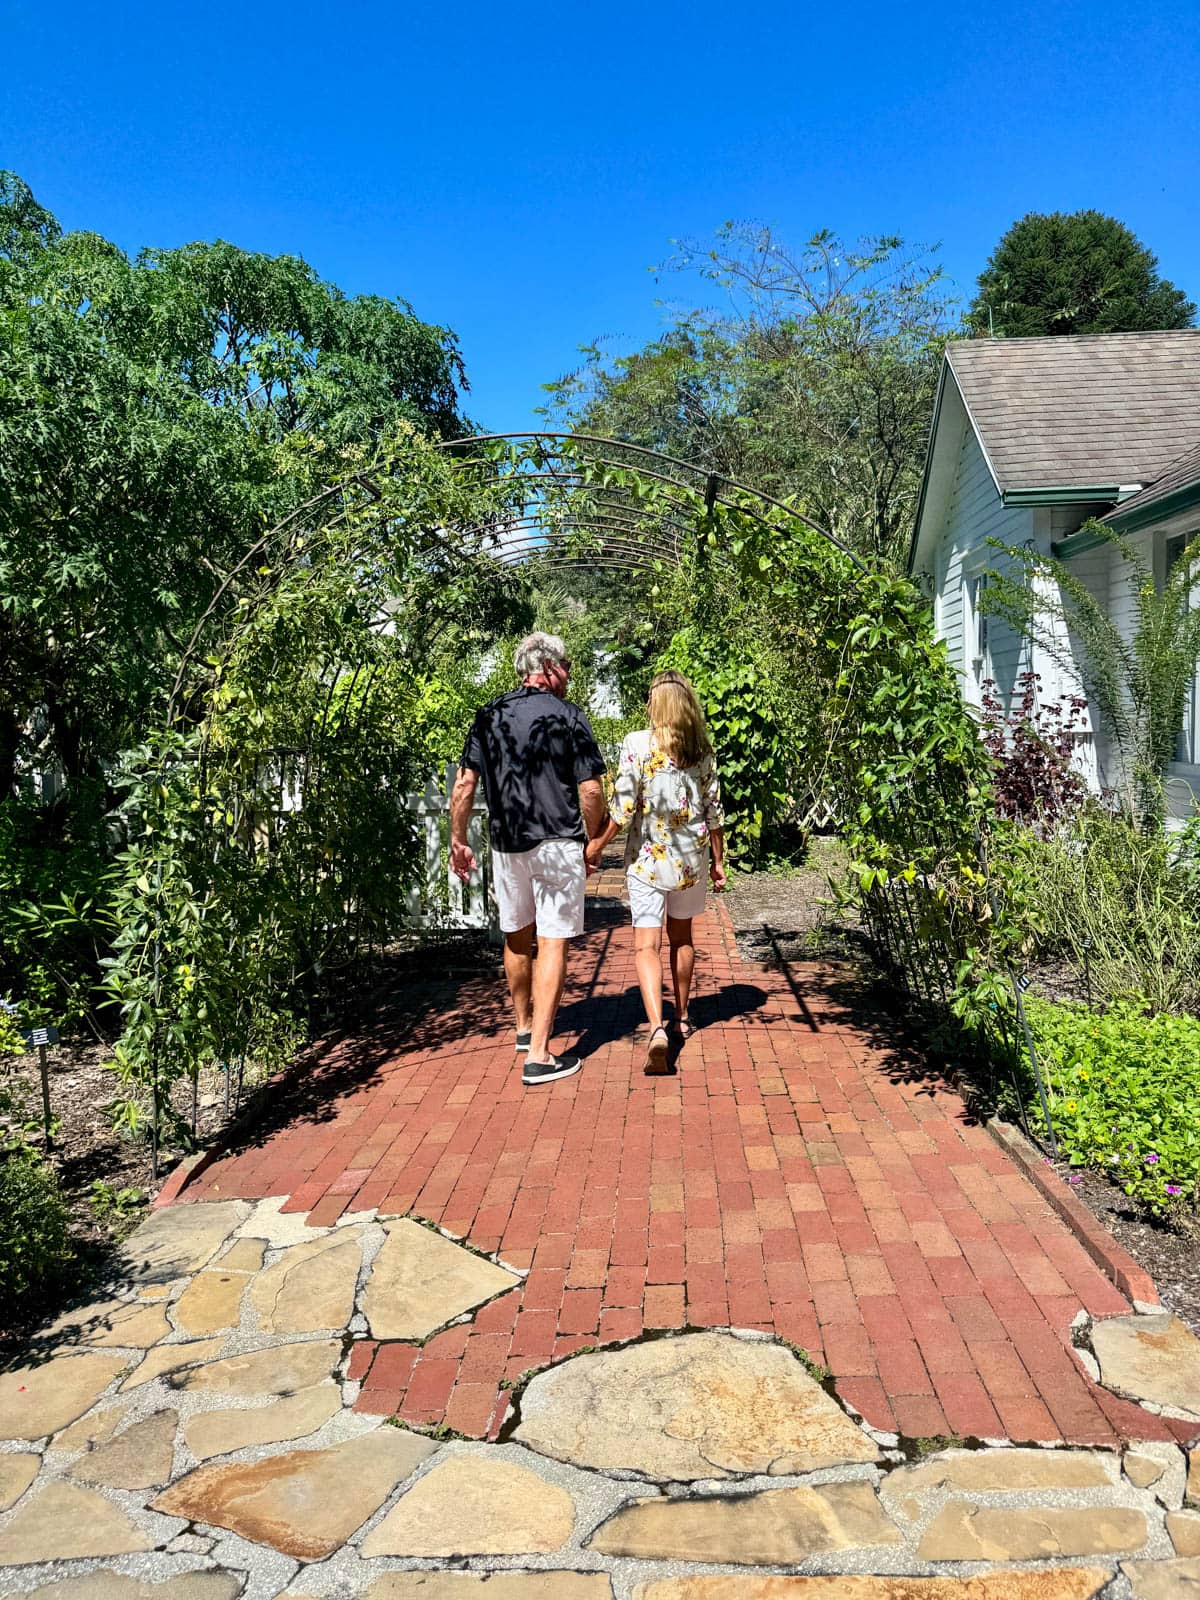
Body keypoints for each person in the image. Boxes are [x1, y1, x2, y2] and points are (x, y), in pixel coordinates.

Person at [450, 632, 607, 1086]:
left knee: (517, 935)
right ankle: (539, 1056)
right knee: (553, 941)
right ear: (551, 668)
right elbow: (592, 789)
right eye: (568, 669)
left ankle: (523, 1028)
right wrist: (591, 839)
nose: (570, 678)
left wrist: (459, 840)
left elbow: (464, 786)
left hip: (507, 842)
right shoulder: (568, 717)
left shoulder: (490, 716)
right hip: (558, 840)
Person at [585, 670, 726, 1074]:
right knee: (682, 938)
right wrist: (718, 863)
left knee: (646, 946)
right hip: (690, 862)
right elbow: (714, 813)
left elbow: (624, 806)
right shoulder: (702, 751)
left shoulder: (637, 744)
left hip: (648, 861)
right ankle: (682, 1017)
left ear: (656, 703)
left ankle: (656, 1029)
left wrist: (596, 844)